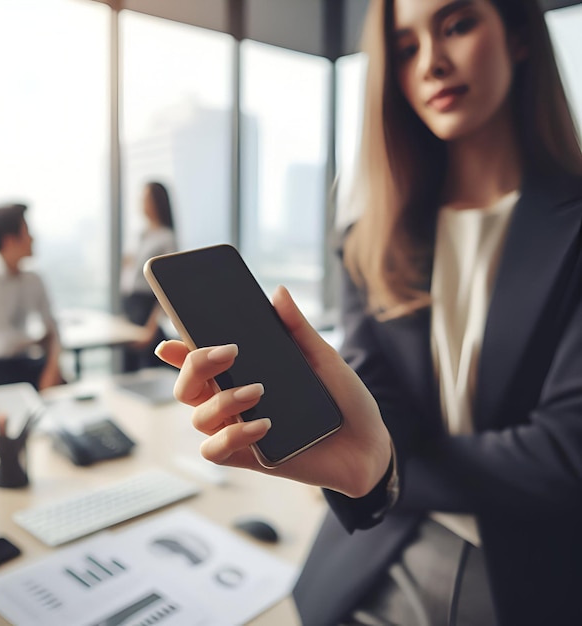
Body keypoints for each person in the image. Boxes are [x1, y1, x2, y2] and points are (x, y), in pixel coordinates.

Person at [154, 1, 582, 624]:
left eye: (457, 25)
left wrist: (387, 464)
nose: (432, 63)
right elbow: (378, 405)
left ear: (518, 36)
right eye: (405, 48)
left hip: (532, 572)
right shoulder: (368, 238)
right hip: (376, 551)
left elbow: (565, 455)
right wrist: (364, 453)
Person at [0, 202, 64, 391]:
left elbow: (53, 328)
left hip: (25, 363)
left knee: (63, 386)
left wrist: (53, 368)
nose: (32, 238)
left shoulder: (33, 279)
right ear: (9, 240)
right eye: (26, 231)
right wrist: (37, 339)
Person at [120, 181, 177, 372]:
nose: (142, 204)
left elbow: (168, 286)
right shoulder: (138, 235)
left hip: (147, 307)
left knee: (148, 367)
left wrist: (152, 326)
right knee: (128, 368)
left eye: (146, 199)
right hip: (130, 304)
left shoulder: (166, 238)